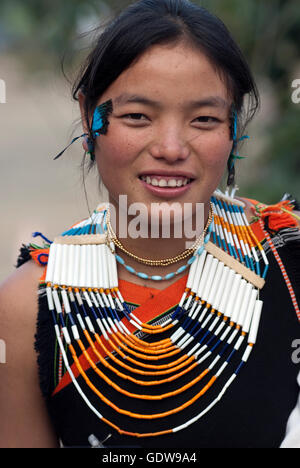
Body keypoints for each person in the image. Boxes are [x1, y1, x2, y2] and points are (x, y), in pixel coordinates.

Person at [0, 0, 300, 449]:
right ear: (89, 118)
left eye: (205, 119)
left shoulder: (288, 259)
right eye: (137, 116)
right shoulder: (29, 308)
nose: (171, 147)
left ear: (234, 128)